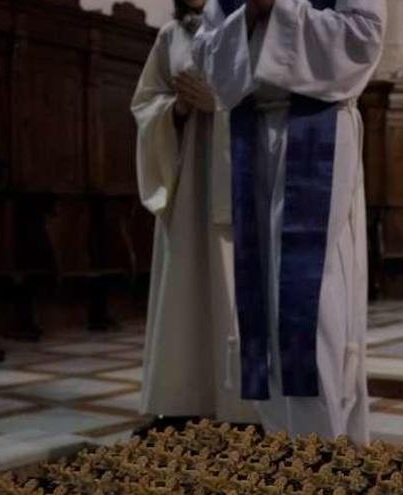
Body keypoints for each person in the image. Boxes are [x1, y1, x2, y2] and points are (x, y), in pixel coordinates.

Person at [193, 0, 385, 444]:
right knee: (261, 292)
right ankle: (282, 438)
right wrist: (250, 17)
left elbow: (363, 38)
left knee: (311, 292)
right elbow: (207, 58)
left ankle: (323, 445)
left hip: (319, 129)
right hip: (250, 133)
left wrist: (274, 10)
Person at [131, 0, 255, 433]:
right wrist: (178, 110)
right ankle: (180, 400)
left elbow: (272, 100)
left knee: (233, 290)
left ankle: (244, 410)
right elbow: (146, 104)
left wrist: (218, 102)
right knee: (183, 287)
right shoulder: (171, 38)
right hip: (187, 187)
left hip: (237, 179)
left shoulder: (248, 30)